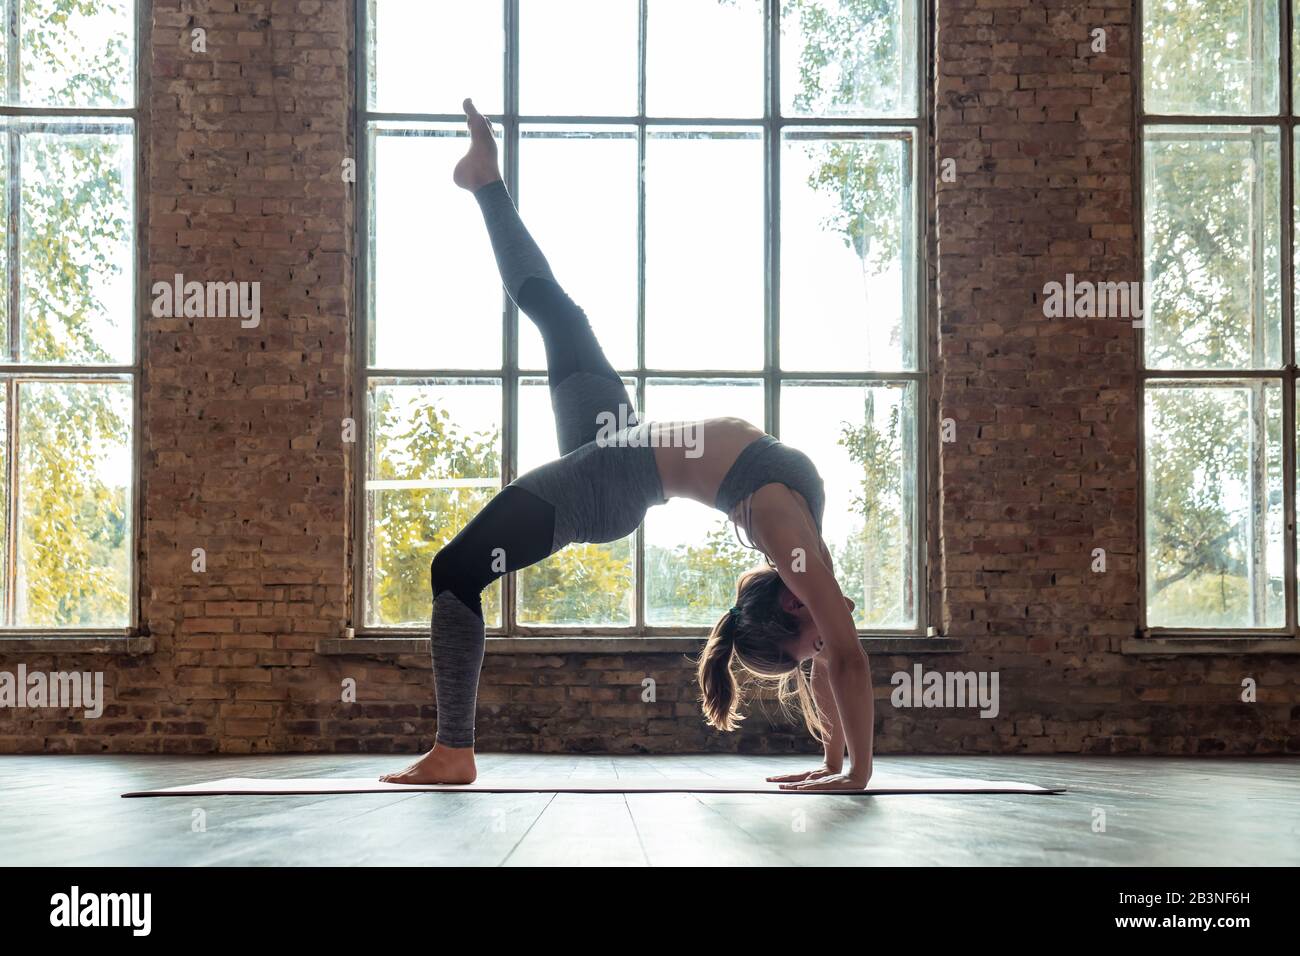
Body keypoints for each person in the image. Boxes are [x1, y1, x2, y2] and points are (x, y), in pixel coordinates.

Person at [381, 99, 875, 791]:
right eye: (812, 645)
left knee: (455, 571)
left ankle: (453, 751)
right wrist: (843, 768)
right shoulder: (797, 546)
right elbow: (841, 662)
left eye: (807, 645)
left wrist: (847, 770)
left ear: (790, 610)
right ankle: (484, 181)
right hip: (620, 440)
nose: (824, 640)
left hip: (610, 477)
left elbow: (835, 660)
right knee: (560, 313)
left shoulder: (788, 543)